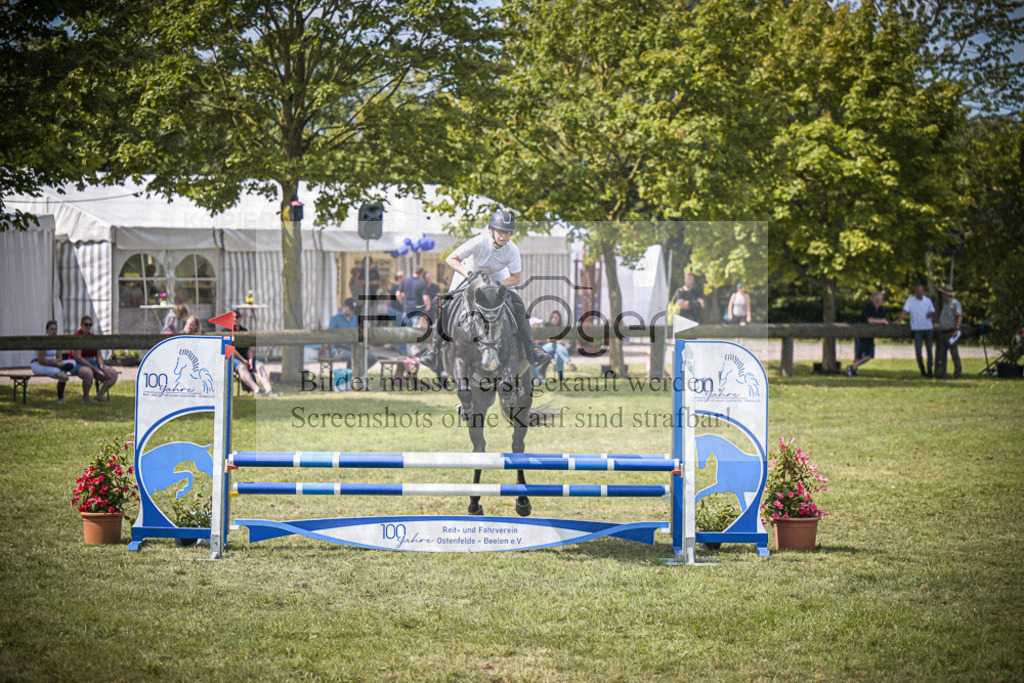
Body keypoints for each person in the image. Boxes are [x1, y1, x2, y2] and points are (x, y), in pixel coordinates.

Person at [417, 209, 551, 372]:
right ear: (491, 231)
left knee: (518, 303)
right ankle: (433, 351)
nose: (504, 236)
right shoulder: (479, 241)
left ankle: (531, 349)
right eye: (501, 232)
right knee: (447, 303)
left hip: (498, 276)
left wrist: (498, 285)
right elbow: (451, 259)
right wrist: (469, 276)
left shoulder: (512, 249)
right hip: (470, 272)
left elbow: (516, 278)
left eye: (507, 233)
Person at [71, 315, 119, 401]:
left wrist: (101, 366)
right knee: (89, 373)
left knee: (113, 374)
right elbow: (77, 357)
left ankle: (99, 396)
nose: (88, 327)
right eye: (86, 324)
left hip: (92, 362)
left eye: (90, 325)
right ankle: (85, 397)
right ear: (81, 325)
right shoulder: (77, 336)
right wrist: (93, 368)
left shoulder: (93, 337)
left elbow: (98, 354)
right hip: (78, 363)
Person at [30, 320, 76, 404]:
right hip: (38, 364)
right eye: (51, 329)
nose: (54, 331)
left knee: (72, 362)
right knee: (61, 373)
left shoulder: (57, 341)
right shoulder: (43, 341)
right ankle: (61, 399)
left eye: (55, 329)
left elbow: (60, 357)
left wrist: (57, 362)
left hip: (52, 363)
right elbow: (41, 360)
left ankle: (63, 370)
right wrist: (56, 363)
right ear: (47, 330)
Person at [896, 284, 935, 377]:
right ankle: (923, 371)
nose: (919, 293)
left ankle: (929, 371)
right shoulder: (910, 300)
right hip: (917, 329)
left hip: (928, 328)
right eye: (918, 291)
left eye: (921, 291)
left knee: (929, 350)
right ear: (915, 292)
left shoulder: (927, 300)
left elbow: (933, 311)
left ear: (923, 292)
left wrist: (930, 313)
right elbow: (904, 312)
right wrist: (898, 320)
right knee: (918, 351)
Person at [328, 298, 379, 369]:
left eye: (353, 309)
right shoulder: (334, 319)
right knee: (354, 356)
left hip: (354, 349)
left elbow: (361, 336)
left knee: (373, 358)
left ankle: (356, 373)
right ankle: (351, 373)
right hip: (338, 349)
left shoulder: (357, 319)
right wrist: (341, 342)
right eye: (350, 308)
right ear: (344, 307)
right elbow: (330, 336)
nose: (352, 311)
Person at [232, 312, 275, 396]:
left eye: (236, 317)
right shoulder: (226, 331)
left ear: (240, 318)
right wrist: (243, 360)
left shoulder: (244, 331)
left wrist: (250, 359)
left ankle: (269, 390)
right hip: (235, 359)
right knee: (242, 367)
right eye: (232, 317)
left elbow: (251, 347)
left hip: (246, 358)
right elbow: (231, 350)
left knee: (260, 366)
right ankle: (257, 390)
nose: (234, 319)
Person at [848, 293, 888, 376]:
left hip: (870, 334)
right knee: (858, 355)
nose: (882, 301)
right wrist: (882, 321)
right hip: (861, 333)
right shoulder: (868, 307)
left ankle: (854, 366)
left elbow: (883, 318)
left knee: (870, 354)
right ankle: (853, 371)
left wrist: (884, 321)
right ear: (877, 300)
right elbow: (870, 320)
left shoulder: (880, 308)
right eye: (881, 299)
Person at [934, 285, 963, 379]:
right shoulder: (945, 304)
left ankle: (957, 373)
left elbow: (959, 316)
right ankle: (941, 373)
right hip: (942, 332)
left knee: (954, 354)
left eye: (943, 293)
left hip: (951, 332)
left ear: (947, 294)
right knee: (941, 355)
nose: (942, 295)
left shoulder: (955, 303)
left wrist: (957, 329)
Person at [540, 310, 574, 380]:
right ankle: (568, 362)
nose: (554, 319)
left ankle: (561, 376)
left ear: (559, 319)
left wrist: (560, 342)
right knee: (556, 345)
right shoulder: (546, 326)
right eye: (552, 317)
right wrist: (554, 340)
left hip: (555, 349)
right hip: (544, 348)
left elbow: (563, 343)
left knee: (558, 354)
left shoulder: (561, 329)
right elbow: (541, 340)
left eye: (556, 318)